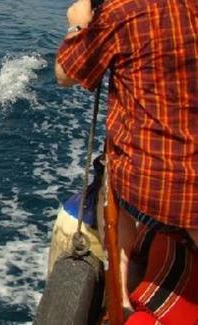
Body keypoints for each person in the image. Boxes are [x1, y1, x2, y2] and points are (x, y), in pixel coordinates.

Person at [54, 0, 198, 322]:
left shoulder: (124, 8)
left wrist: (78, 24)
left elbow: (66, 73)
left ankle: (122, 301)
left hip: (157, 184)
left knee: (113, 187)